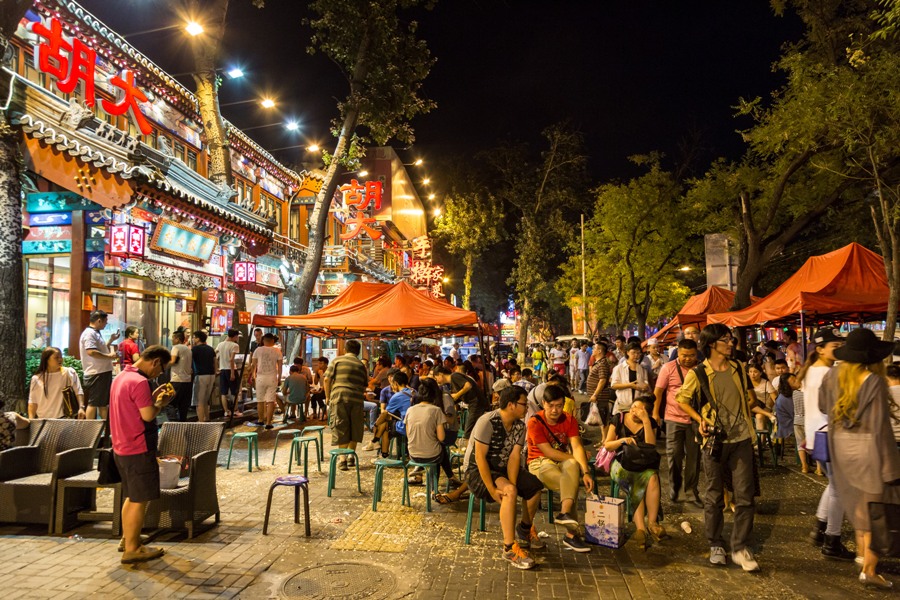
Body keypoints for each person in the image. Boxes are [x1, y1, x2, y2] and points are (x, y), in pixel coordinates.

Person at [819, 328, 900, 589]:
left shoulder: (832, 375)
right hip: (869, 453)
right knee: (878, 509)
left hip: (841, 450)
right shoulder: (874, 382)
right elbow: (880, 429)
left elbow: (822, 406)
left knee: (859, 508)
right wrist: (891, 468)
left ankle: (863, 557)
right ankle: (869, 569)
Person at [676, 323, 760, 572]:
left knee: (745, 496)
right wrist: (700, 419)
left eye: (731, 338)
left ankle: (740, 546)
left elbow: (748, 396)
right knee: (713, 495)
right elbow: (681, 399)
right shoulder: (699, 372)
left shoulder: (738, 368)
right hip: (714, 442)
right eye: (726, 339)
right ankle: (716, 543)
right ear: (712, 344)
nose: (732, 343)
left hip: (742, 439)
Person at [110, 345, 175, 565]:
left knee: (132, 496)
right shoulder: (140, 382)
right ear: (156, 362)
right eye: (161, 369)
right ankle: (133, 549)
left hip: (121, 446)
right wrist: (161, 403)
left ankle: (128, 538)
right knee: (139, 499)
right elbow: (147, 415)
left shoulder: (121, 377)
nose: (159, 374)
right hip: (138, 446)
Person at [468, 386, 544, 570]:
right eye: (523, 404)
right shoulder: (487, 421)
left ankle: (525, 529)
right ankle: (509, 547)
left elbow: (514, 457)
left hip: (502, 470)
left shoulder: (519, 426)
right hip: (478, 471)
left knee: (534, 487)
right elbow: (479, 458)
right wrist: (494, 489)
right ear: (511, 405)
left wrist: (513, 482)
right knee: (509, 491)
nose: (527, 408)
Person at [801, 327, 851, 556]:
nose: (838, 349)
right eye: (835, 346)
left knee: (834, 484)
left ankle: (819, 528)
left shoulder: (812, 370)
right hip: (829, 433)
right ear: (820, 349)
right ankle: (832, 539)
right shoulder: (828, 374)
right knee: (840, 488)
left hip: (816, 436)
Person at [526, 385, 593, 552]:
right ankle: (571, 534)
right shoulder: (535, 422)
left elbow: (577, 446)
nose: (555, 410)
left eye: (559, 405)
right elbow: (548, 452)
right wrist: (576, 459)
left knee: (572, 466)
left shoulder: (569, 419)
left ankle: (564, 514)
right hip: (538, 462)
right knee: (570, 477)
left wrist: (586, 471)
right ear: (543, 403)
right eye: (551, 406)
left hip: (561, 461)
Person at [603, 398, 665, 550]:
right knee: (636, 481)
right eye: (633, 406)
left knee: (653, 478)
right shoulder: (619, 418)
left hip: (642, 464)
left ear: (646, 411)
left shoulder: (650, 422)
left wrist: (646, 421)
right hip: (620, 464)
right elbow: (607, 445)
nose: (634, 409)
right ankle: (641, 528)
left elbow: (651, 446)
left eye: (639, 408)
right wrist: (623, 440)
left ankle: (651, 524)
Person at [652, 338, 701, 507]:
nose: (688, 358)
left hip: (695, 420)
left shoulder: (701, 368)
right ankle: (675, 486)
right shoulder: (668, 368)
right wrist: (655, 413)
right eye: (684, 355)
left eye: (692, 355)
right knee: (674, 456)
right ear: (677, 353)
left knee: (694, 458)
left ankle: (691, 492)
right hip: (673, 418)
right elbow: (658, 392)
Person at [404, 378, 457, 490]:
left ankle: (439, 479)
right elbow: (441, 437)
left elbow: (409, 435)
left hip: (412, 455)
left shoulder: (410, 410)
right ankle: (434, 489)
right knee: (439, 450)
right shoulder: (436, 410)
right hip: (431, 456)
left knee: (436, 448)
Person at [323, 340, 368, 470]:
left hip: (340, 396)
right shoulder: (361, 365)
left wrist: (327, 396)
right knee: (355, 426)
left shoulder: (337, 361)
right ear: (358, 352)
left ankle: (342, 459)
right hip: (357, 399)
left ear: (345, 350)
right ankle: (351, 457)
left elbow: (327, 379)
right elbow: (364, 385)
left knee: (341, 425)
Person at [79, 310, 120, 421]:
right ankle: (91, 429)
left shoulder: (95, 332)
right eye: (105, 321)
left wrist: (111, 339)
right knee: (94, 403)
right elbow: (91, 351)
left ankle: (105, 430)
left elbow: (100, 349)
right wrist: (110, 356)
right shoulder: (90, 333)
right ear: (99, 320)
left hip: (100, 372)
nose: (106, 324)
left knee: (101, 403)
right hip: (97, 372)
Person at [434, 364, 488, 446]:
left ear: (441, 374)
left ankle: (468, 450)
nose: (436, 380)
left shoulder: (454, 376)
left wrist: (457, 395)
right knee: (473, 429)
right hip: (473, 404)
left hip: (477, 403)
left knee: (468, 431)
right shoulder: (451, 384)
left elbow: (468, 385)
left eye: (436, 377)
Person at [369, 371, 414, 460]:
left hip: (407, 426)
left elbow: (385, 413)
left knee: (385, 425)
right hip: (416, 424)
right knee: (386, 423)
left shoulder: (397, 396)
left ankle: (379, 447)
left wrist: (375, 425)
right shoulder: (413, 391)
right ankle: (376, 443)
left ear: (396, 383)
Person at [28, 347, 84, 419]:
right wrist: (31, 420)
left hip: (64, 418)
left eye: (61, 357)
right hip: (43, 419)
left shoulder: (68, 373)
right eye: (56, 357)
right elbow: (33, 401)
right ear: (47, 360)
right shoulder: (36, 378)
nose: (60, 359)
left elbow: (78, 391)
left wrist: (81, 407)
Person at [249, 333, 282, 429]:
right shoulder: (277, 351)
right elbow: (279, 366)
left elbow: (253, 365)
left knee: (260, 400)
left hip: (260, 378)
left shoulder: (258, 350)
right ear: (272, 341)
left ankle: (260, 420)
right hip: (272, 378)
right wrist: (279, 377)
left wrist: (253, 376)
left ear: (263, 340)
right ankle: (268, 423)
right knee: (271, 401)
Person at [610, 342, 651, 416]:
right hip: (623, 406)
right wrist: (630, 385)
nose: (636, 355)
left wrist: (645, 387)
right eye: (633, 353)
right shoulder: (619, 368)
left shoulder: (642, 369)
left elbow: (646, 383)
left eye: (638, 353)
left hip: (638, 406)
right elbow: (614, 385)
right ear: (627, 352)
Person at [190, 330, 217, 422]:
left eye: (194, 337)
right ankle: (207, 418)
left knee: (199, 401)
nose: (193, 339)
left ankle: (201, 421)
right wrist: (215, 372)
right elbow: (215, 361)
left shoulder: (194, 349)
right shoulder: (210, 349)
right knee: (206, 399)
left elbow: (189, 361)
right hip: (211, 375)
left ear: (198, 338)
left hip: (200, 375)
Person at [168, 330, 193, 422]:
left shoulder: (176, 348)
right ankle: (183, 424)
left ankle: (173, 424)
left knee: (170, 403)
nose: (172, 340)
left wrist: (163, 365)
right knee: (183, 405)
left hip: (177, 379)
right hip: (187, 380)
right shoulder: (188, 349)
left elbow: (173, 361)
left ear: (177, 339)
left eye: (173, 338)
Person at [216, 329, 241, 417]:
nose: (237, 338)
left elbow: (215, 356)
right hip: (230, 369)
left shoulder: (220, 344)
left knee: (223, 392)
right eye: (237, 336)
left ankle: (226, 411)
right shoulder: (234, 345)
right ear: (234, 336)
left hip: (222, 369)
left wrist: (217, 368)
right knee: (235, 392)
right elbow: (231, 359)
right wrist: (232, 373)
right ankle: (235, 410)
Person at [748, 364, 777, 431]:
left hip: (764, 407)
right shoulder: (746, 383)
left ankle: (761, 441)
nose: (752, 374)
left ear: (760, 373)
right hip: (750, 407)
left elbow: (775, 399)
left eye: (755, 372)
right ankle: (768, 414)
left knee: (759, 416)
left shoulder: (766, 383)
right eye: (750, 372)